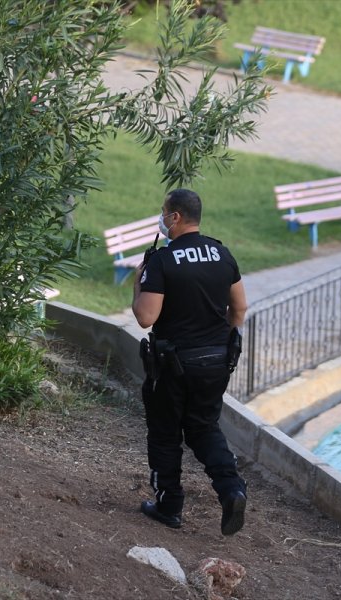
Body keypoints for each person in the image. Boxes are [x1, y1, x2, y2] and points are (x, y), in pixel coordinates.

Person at [131, 188, 248, 536]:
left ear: (175, 217)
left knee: (165, 434)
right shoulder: (222, 253)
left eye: (164, 212)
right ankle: (232, 489)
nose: (162, 218)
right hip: (216, 362)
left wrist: (138, 285)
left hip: (172, 365)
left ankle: (169, 505)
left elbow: (145, 318)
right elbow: (239, 310)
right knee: (204, 428)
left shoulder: (162, 261)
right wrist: (214, 339)